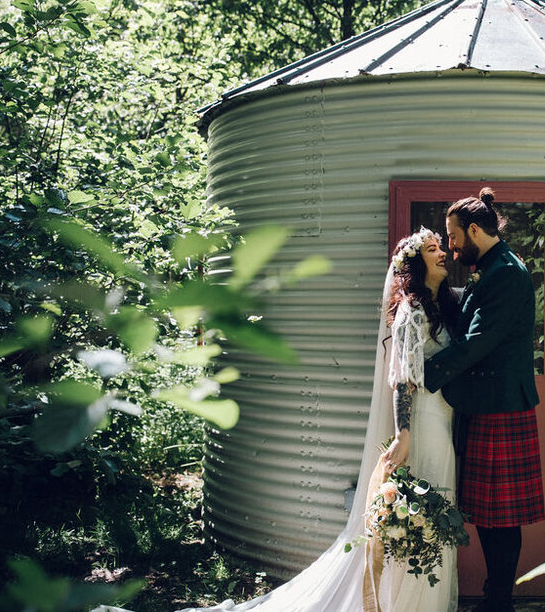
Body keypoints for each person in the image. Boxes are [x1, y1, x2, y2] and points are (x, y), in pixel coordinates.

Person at [95, 228, 460, 612]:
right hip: (421, 426)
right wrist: (403, 432)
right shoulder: (411, 312)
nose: (442, 255)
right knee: (422, 518)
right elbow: (401, 378)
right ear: (415, 265)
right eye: (433, 250)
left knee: (434, 514)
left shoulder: (443, 306)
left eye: (441, 248)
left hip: (443, 422)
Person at [423, 188, 545, 612]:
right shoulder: (492, 269)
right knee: (491, 516)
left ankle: (500, 603)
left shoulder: (507, 274)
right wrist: (434, 291)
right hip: (487, 402)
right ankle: (497, 598)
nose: (452, 247)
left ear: (475, 230)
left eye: (453, 237)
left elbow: (477, 340)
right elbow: (468, 319)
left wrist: (424, 376)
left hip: (501, 406)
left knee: (502, 516)